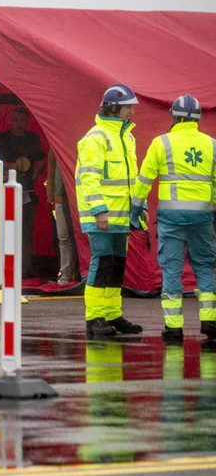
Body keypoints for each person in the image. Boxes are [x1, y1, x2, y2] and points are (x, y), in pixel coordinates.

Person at [131, 94, 216, 343]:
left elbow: (144, 180)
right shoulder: (212, 144)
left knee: (171, 269)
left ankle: (173, 327)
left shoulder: (162, 143)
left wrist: (135, 209)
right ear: (198, 118)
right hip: (203, 216)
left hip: (171, 218)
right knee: (205, 266)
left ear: (174, 117)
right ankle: (210, 321)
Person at [75, 83, 143, 337]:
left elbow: (131, 177)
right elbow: (88, 177)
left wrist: (140, 205)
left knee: (116, 265)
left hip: (121, 215)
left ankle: (113, 314)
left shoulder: (127, 137)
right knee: (102, 263)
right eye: (128, 108)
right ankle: (94, 317)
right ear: (114, 107)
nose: (132, 113)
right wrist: (99, 210)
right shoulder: (96, 137)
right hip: (102, 216)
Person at [0, 106, 46, 277]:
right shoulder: (1, 138)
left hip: (28, 193)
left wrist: (33, 177)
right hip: (4, 194)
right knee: (4, 230)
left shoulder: (33, 138)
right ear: (11, 120)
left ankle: (24, 269)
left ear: (28, 122)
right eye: (16, 120)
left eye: (22, 120)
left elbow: (41, 160)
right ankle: (3, 268)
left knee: (25, 233)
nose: (19, 124)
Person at [46, 147, 79, 284]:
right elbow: (51, 168)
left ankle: (78, 272)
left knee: (77, 237)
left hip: (79, 196)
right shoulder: (55, 144)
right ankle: (65, 274)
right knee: (63, 237)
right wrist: (50, 194)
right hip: (60, 195)